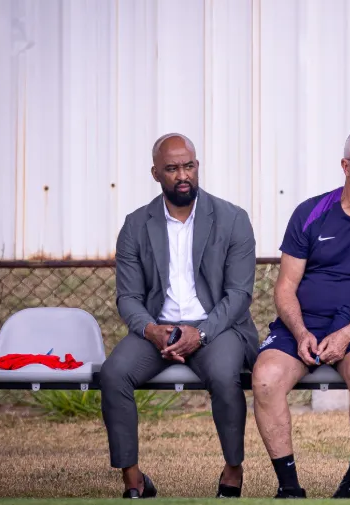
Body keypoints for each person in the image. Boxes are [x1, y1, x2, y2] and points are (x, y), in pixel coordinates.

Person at [251, 125, 350, 499]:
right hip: (303, 325)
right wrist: (300, 331)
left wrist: (346, 335)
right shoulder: (311, 212)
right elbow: (285, 287)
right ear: (346, 165)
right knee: (265, 378)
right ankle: (289, 487)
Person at [99, 133, 259, 499]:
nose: (182, 174)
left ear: (197, 166)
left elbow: (239, 295)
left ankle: (233, 471)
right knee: (114, 374)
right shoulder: (136, 224)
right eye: (172, 168)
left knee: (223, 375)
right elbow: (128, 297)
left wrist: (199, 335)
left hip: (218, 329)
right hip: (159, 330)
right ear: (156, 173)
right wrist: (152, 330)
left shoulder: (233, 219)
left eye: (188, 166)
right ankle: (134, 480)